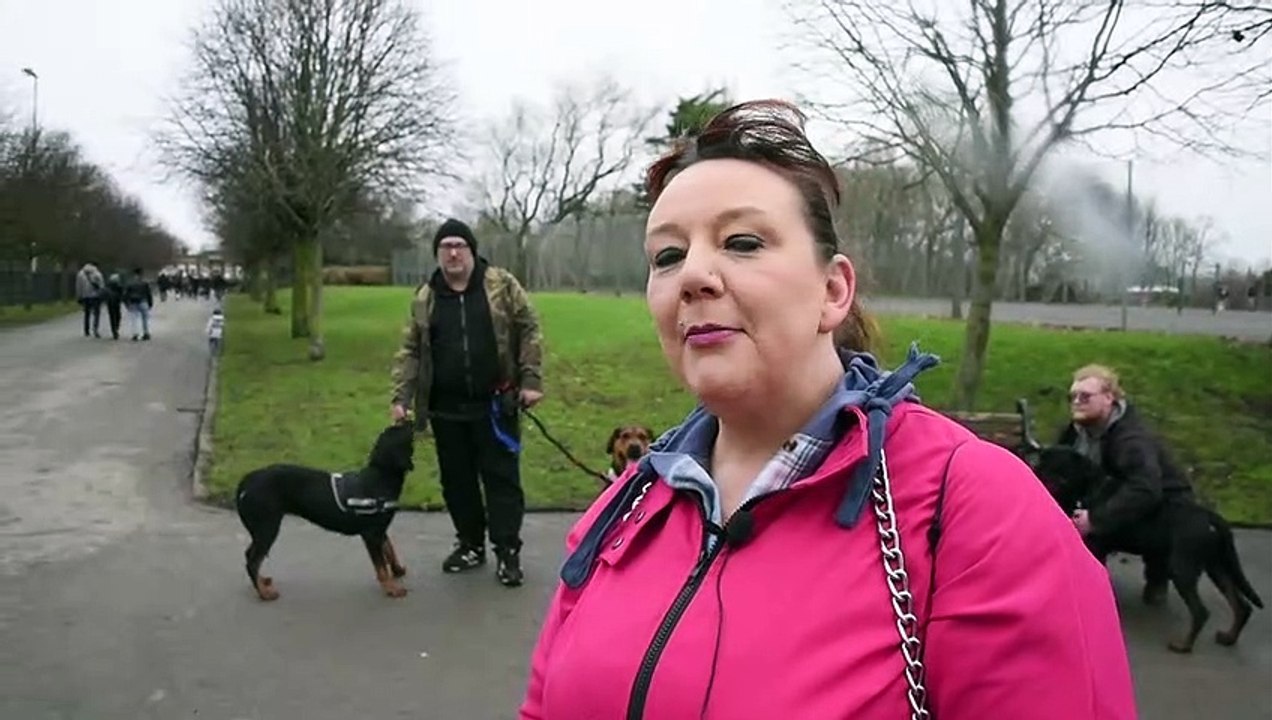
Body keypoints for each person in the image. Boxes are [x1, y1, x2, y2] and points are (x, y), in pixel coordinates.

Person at [519, 100, 1136, 720]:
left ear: (834, 290)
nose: (693, 276)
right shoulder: (626, 506)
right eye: (667, 255)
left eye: (741, 242)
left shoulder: (974, 509)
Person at [389, 218, 544, 587]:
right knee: (457, 484)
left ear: (472, 250)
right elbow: (410, 349)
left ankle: (507, 551)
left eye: (459, 245)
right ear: (438, 254)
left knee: (502, 481)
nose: (453, 253)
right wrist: (402, 396)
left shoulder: (501, 285)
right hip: (446, 410)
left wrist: (531, 379)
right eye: (446, 247)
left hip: (495, 406)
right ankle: (471, 544)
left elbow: (529, 327)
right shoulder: (426, 296)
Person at [1058, 363, 1195, 605]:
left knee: (1095, 529)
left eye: (1085, 396)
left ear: (1109, 398)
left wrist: (1096, 519)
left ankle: (1155, 576)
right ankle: (1085, 577)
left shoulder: (1131, 439)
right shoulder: (1078, 428)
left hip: (1167, 510)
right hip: (1113, 495)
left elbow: (1145, 489)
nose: (1077, 401)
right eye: (1073, 396)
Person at [74, 262, 104, 338]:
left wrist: (79, 296)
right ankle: (95, 329)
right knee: (96, 314)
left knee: (87, 314)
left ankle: (86, 330)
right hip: (96, 296)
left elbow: (78, 286)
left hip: (85, 296)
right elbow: (101, 285)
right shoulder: (97, 273)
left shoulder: (80, 274)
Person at [123, 267, 153, 341]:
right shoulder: (145, 283)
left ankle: (135, 334)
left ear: (134, 274)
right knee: (145, 319)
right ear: (141, 274)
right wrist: (150, 303)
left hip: (133, 302)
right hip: (143, 301)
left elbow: (126, 294)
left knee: (134, 319)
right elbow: (148, 294)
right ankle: (146, 333)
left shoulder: (130, 283)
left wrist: (126, 303)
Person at [102, 272, 125, 340]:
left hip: (110, 303)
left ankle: (114, 330)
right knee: (117, 316)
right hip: (116, 303)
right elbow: (122, 295)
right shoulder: (119, 287)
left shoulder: (108, 286)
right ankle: (116, 328)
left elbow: (105, 294)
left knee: (112, 317)